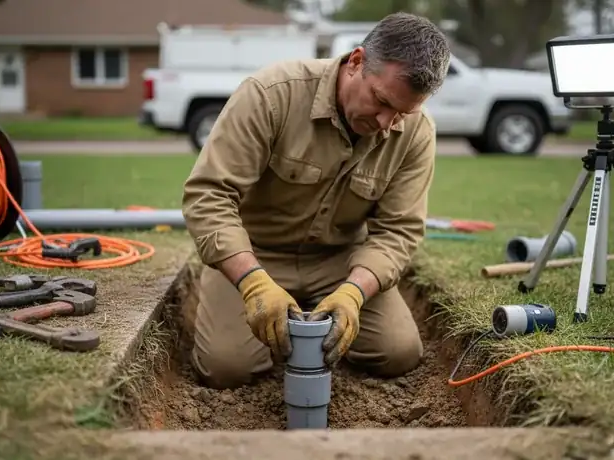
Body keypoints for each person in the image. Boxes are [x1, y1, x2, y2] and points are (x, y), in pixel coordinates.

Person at [181, 12, 451, 390]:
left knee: (398, 352)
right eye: (380, 101)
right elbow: (209, 195)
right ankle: (237, 298)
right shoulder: (271, 95)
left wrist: (354, 292)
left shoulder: (417, 132)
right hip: (255, 253)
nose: (386, 123)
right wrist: (253, 283)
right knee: (226, 367)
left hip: (341, 261)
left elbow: (398, 231)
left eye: (402, 113)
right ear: (356, 61)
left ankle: (320, 313)